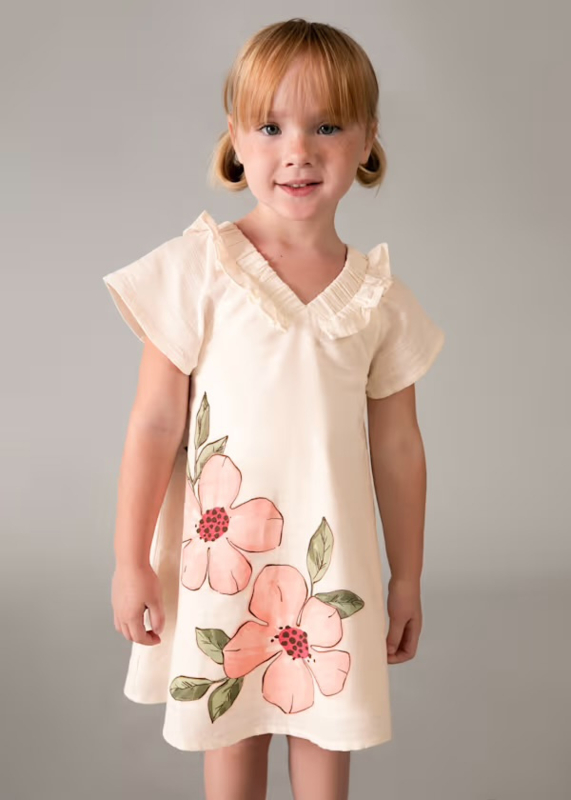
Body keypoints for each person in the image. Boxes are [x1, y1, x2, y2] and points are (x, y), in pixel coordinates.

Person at [102, 17, 446, 800]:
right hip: (224, 559)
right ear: (235, 137)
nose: (298, 151)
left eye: (326, 126)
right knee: (231, 730)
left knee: (324, 730)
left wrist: (407, 578)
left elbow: (399, 449)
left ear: (367, 140)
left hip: (328, 565)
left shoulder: (379, 299)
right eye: (270, 127)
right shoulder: (199, 270)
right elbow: (154, 423)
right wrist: (128, 559)